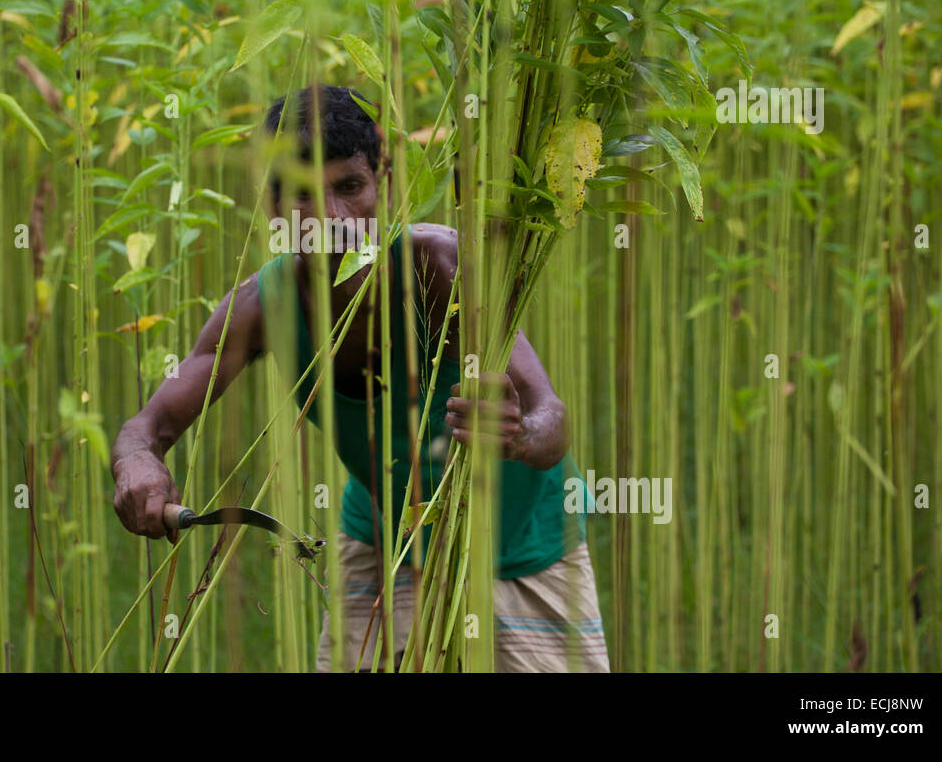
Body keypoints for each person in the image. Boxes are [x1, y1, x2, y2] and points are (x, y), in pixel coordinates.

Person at [110, 83, 609, 672]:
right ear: (272, 208)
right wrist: (137, 462)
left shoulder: (439, 266)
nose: (332, 219)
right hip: (380, 545)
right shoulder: (261, 305)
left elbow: (552, 418)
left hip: (526, 546)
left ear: (385, 184)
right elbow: (150, 425)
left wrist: (522, 433)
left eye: (349, 187)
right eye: (302, 196)